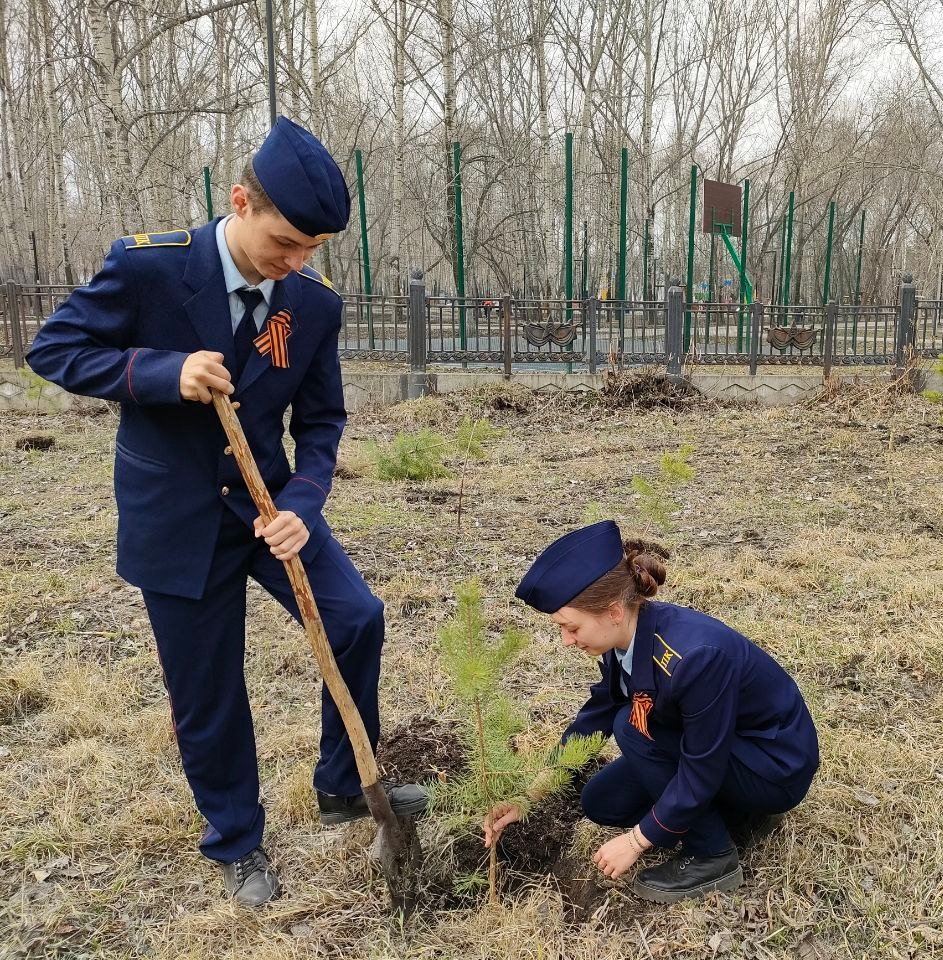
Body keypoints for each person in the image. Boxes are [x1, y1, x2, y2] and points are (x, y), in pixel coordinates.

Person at [26, 117, 426, 907]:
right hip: (173, 517)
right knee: (208, 688)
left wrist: (303, 506)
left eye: (312, 250)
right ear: (240, 201)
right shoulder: (148, 269)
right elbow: (54, 349)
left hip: (267, 506)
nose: (295, 262)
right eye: (285, 243)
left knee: (355, 617)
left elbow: (321, 423)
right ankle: (237, 840)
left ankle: (344, 785)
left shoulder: (311, 306)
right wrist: (160, 371)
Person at [483, 521, 820, 903]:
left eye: (571, 627)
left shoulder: (695, 657)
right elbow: (599, 709)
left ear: (612, 611)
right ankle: (733, 816)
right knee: (602, 801)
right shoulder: (624, 637)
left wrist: (637, 840)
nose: (566, 641)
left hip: (771, 767)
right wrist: (533, 791)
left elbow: (702, 763)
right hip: (718, 748)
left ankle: (714, 856)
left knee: (631, 725)